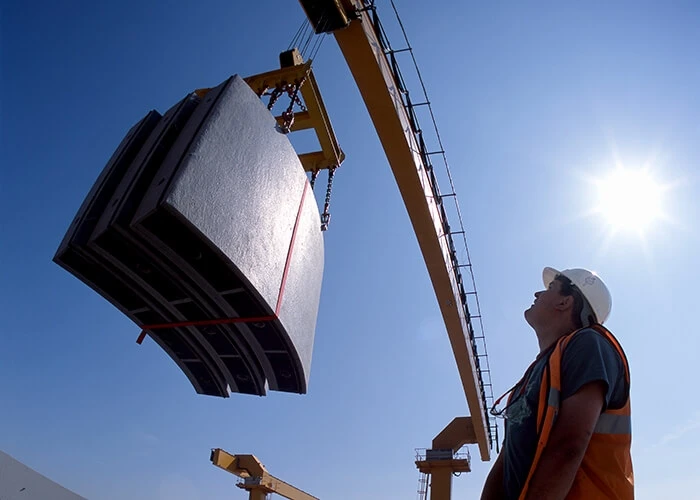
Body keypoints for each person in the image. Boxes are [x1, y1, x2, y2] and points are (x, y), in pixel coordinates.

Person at [481, 267, 633, 500]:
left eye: (549, 288)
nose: (537, 294)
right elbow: (506, 463)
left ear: (565, 302)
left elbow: (569, 445)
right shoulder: (533, 377)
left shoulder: (589, 344)